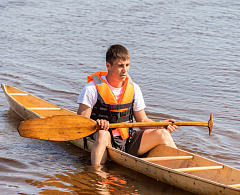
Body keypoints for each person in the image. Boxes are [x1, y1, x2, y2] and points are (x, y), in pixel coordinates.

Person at [77, 44, 178, 166]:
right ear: (108, 66)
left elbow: (142, 120)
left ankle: (181, 167)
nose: (125, 70)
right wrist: (97, 124)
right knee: (103, 134)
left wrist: (160, 126)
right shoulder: (91, 88)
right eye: (120, 66)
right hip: (104, 139)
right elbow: (81, 123)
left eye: (127, 65)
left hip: (128, 139)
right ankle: (98, 176)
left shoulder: (134, 88)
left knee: (163, 134)